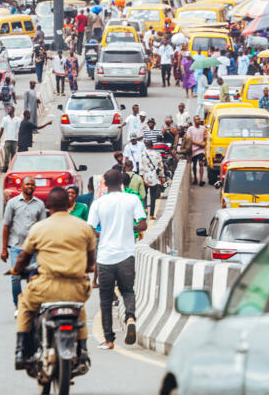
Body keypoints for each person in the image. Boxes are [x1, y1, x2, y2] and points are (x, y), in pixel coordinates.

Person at [12, 187, 95, 368]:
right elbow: (91, 263)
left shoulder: (39, 228)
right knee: (79, 308)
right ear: (69, 204)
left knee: (24, 304)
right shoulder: (84, 228)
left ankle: (20, 351)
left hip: (45, 287)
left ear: (48, 205)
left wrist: (16, 270)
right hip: (76, 288)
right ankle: (82, 350)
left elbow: (23, 257)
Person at [87, 169, 147, 350]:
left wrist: (102, 232)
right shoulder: (132, 199)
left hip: (105, 258)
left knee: (105, 299)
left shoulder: (98, 203)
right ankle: (130, 317)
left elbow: (90, 229)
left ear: (104, 183)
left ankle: (109, 339)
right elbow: (143, 224)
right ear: (121, 181)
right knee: (127, 290)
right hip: (127, 255)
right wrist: (130, 227)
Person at [1, 177, 48, 310]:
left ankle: (31, 304)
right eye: (27, 184)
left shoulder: (39, 204)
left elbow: (42, 227)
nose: (30, 186)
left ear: (35, 187)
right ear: (22, 186)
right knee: (15, 277)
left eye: (32, 184)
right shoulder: (12, 203)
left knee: (32, 278)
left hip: (33, 248)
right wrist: (4, 249)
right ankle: (18, 306)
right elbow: (6, 226)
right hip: (16, 246)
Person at [140, 139, 164, 219]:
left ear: (145, 145)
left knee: (144, 195)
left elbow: (140, 168)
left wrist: (141, 178)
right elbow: (161, 167)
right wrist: (161, 177)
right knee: (153, 197)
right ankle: (151, 215)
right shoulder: (157, 154)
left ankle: (145, 210)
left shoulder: (142, 154)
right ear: (152, 145)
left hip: (145, 178)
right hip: (154, 178)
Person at [0, 106, 21, 172]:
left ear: (13, 110)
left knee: (14, 154)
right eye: (7, 109)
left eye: (9, 109)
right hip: (7, 139)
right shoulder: (5, 119)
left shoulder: (18, 119)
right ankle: (6, 167)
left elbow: (19, 130)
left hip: (15, 139)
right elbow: (2, 129)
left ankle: (13, 167)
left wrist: (19, 139)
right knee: (7, 155)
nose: (8, 110)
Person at [186, 115, 208, 186]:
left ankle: (201, 180)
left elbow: (205, 138)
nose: (198, 121)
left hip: (201, 150)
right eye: (196, 120)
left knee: (201, 163)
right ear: (194, 121)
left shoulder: (203, 128)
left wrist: (204, 143)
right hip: (193, 149)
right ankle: (195, 178)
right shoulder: (190, 129)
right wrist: (199, 144)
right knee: (194, 165)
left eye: (199, 119)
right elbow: (189, 140)